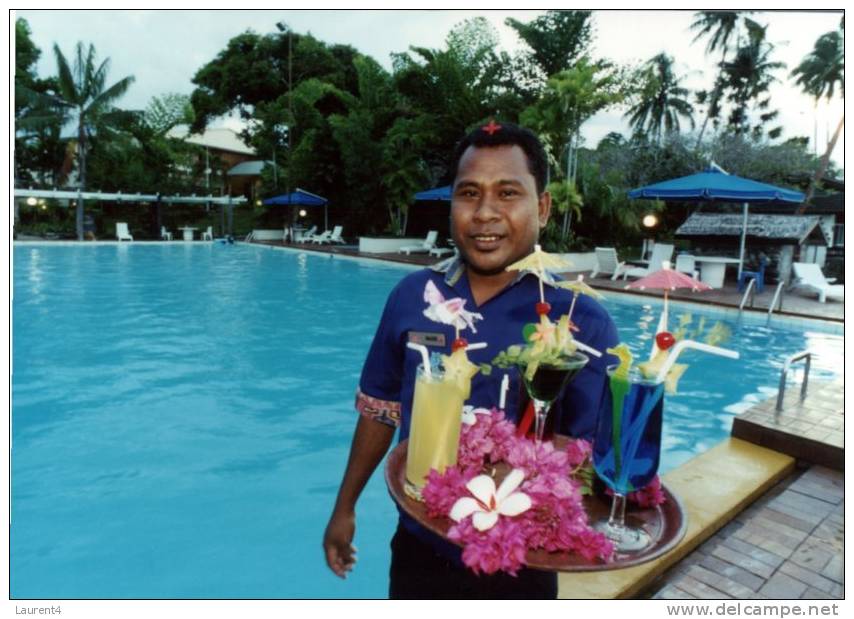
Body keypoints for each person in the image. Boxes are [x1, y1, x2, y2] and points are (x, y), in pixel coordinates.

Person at [323, 121, 619, 599]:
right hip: (419, 544)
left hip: (521, 566)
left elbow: (589, 460)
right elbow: (380, 408)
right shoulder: (412, 296)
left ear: (541, 207)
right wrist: (345, 506)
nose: (485, 213)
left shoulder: (577, 321)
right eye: (469, 193)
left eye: (508, 193)